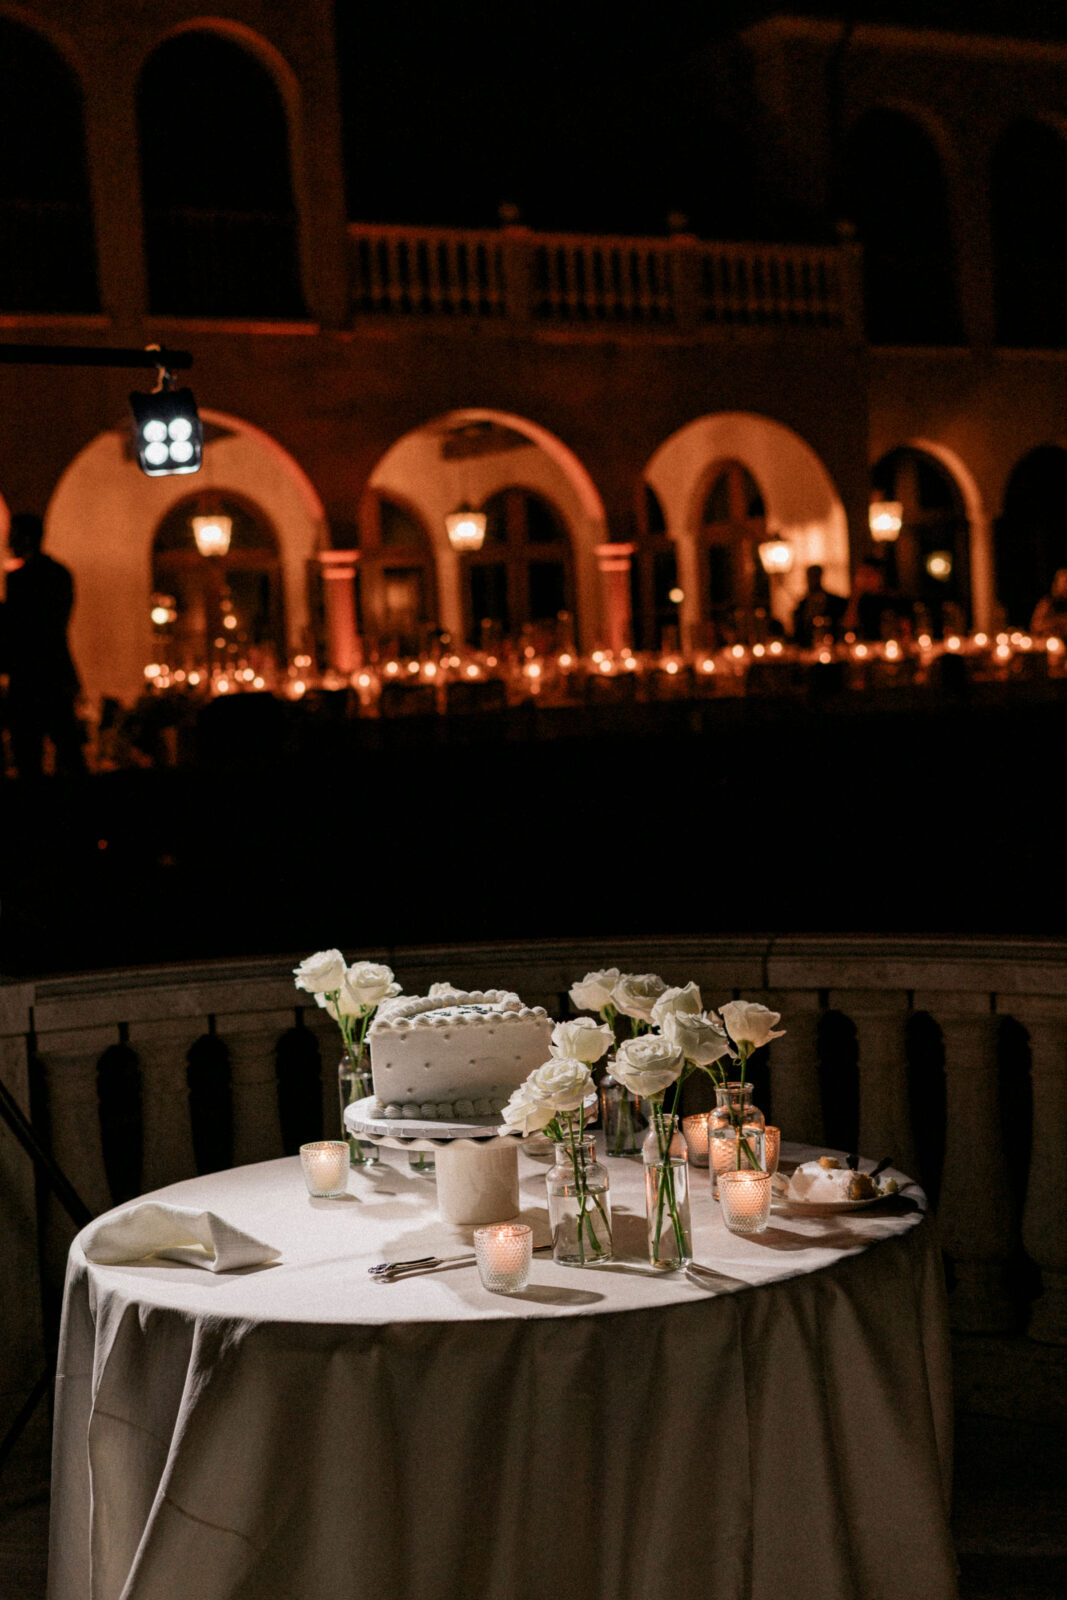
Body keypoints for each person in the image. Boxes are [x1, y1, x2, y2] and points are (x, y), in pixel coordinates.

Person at [0, 512, 86, 777]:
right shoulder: (58, 574)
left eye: (13, 535)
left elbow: (20, 628)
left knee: (29, 753)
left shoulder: (22, 580)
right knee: (67, 748)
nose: (8, 542)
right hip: (53, 672)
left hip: (30, 675)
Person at [791, 564, 846, 648]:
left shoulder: (836, 601)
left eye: (815, 576)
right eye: (810, 576)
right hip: (808, 647)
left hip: (831, 646)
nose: (812, 580)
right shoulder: (802, 605)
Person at [1029, 568, 1067, 638]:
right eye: (1062, 582)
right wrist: (1055, 624)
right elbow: (1035, 626)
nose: (1064, 586)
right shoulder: (1047, 603)